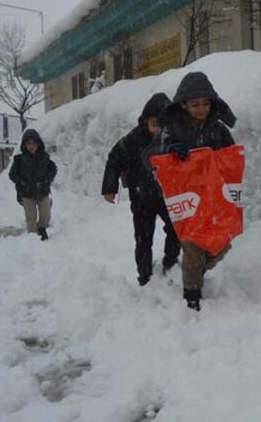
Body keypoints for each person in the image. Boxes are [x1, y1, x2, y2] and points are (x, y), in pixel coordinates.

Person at [147, 72, 236, 311]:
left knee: (222, 243)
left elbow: (231, 159)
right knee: (193, 246)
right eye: (195, 104)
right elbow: (150, 158)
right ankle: (192, 295)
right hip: (186, 199)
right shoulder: (171, 129)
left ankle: (195, 271)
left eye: (205, 103)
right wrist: (171, 152)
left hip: (213, 197)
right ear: (183, 104)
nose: (201, 109)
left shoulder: (219, 130)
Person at [101, 92, 180, 286]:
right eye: (155, 124)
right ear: (145, 121)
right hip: (141, 197)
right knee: (143, 239)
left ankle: (170, 262)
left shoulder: (173, 138)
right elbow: (114, 159)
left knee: (176, 228)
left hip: (166, 196)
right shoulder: (132, 140)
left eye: (163, 124)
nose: (158, 130)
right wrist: (110, 187)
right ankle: (144, 276)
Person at [9, 128, 57, 240]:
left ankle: (41, 228)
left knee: (46, 214)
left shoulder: (45, 158)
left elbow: (53, 169)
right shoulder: (19, 160)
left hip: (42, 190)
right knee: (30, 217)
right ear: (24, 145)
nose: (31, 146)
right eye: (28, 143)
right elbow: (12, 174)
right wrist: (21, 182)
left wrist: (47, 181)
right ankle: (33, 237)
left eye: (34, 143)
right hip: (27, 192)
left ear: (38, 144)